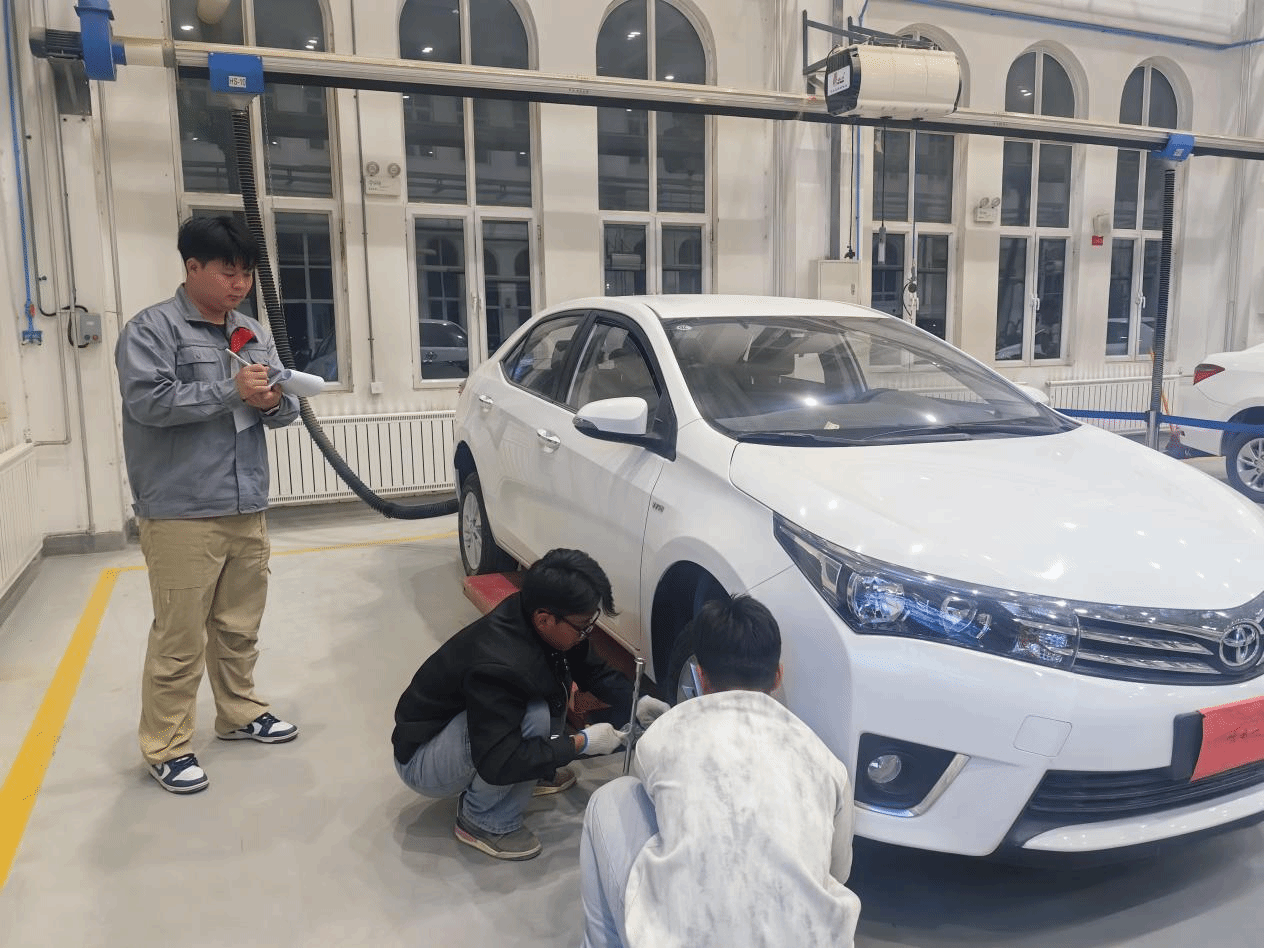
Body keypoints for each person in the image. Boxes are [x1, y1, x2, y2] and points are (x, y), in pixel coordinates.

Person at [115, 215, 301, 795]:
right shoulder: (152, 330)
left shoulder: (250, 330)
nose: (239, 285)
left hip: (246, 501)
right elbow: (148, 403)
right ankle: (167, 745)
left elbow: (285, 411)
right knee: (179, 638)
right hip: (181, 509)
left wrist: (274, 401)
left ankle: (239, 712)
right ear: (192, 267)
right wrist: (231, 389)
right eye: (227, 273)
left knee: (238, 625)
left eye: (246, 274)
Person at [578, 595, 862, 948]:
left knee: (613, 796)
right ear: (778, 675)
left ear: (700, 676)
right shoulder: (824, 759)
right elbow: (838, 872)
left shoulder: (665, 735)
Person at [392, 548, 665, 861]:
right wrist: (579, 744)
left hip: (466, 732)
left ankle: (530, 775)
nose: (586, 633)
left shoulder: (537, 617)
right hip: (423, 760)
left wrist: (637, 700)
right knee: (534, 715)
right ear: (545, 619)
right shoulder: (499, 664)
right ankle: (482, 820)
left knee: (540, 705)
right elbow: (499, 760)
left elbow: (595, 672)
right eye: (582, 626)